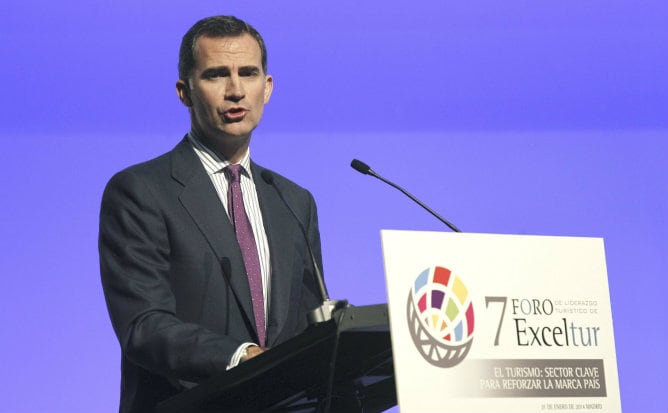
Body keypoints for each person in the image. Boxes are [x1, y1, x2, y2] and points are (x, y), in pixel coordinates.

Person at [99, 15, 323, 412]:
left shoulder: (293, 200)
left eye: (248, 73)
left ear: (267, 88)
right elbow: (144, 326)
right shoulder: (141, 191)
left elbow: (307, 325)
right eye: (217, 75)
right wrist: (241, 356)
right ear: (184, 92)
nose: (236, 90)